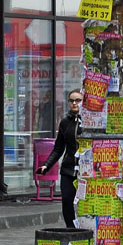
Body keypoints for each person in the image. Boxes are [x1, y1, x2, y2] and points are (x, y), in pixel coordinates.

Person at [37, 89, 82, 228]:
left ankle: (86, 230)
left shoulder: (89, 123)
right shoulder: (64, 123)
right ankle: (71, 229)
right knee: (67, 200)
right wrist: (46, 165)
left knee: (85, 203)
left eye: (78, 100)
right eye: (71, 101)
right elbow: (58, 148)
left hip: (85, 170)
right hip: (68, 169)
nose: (74, 103)